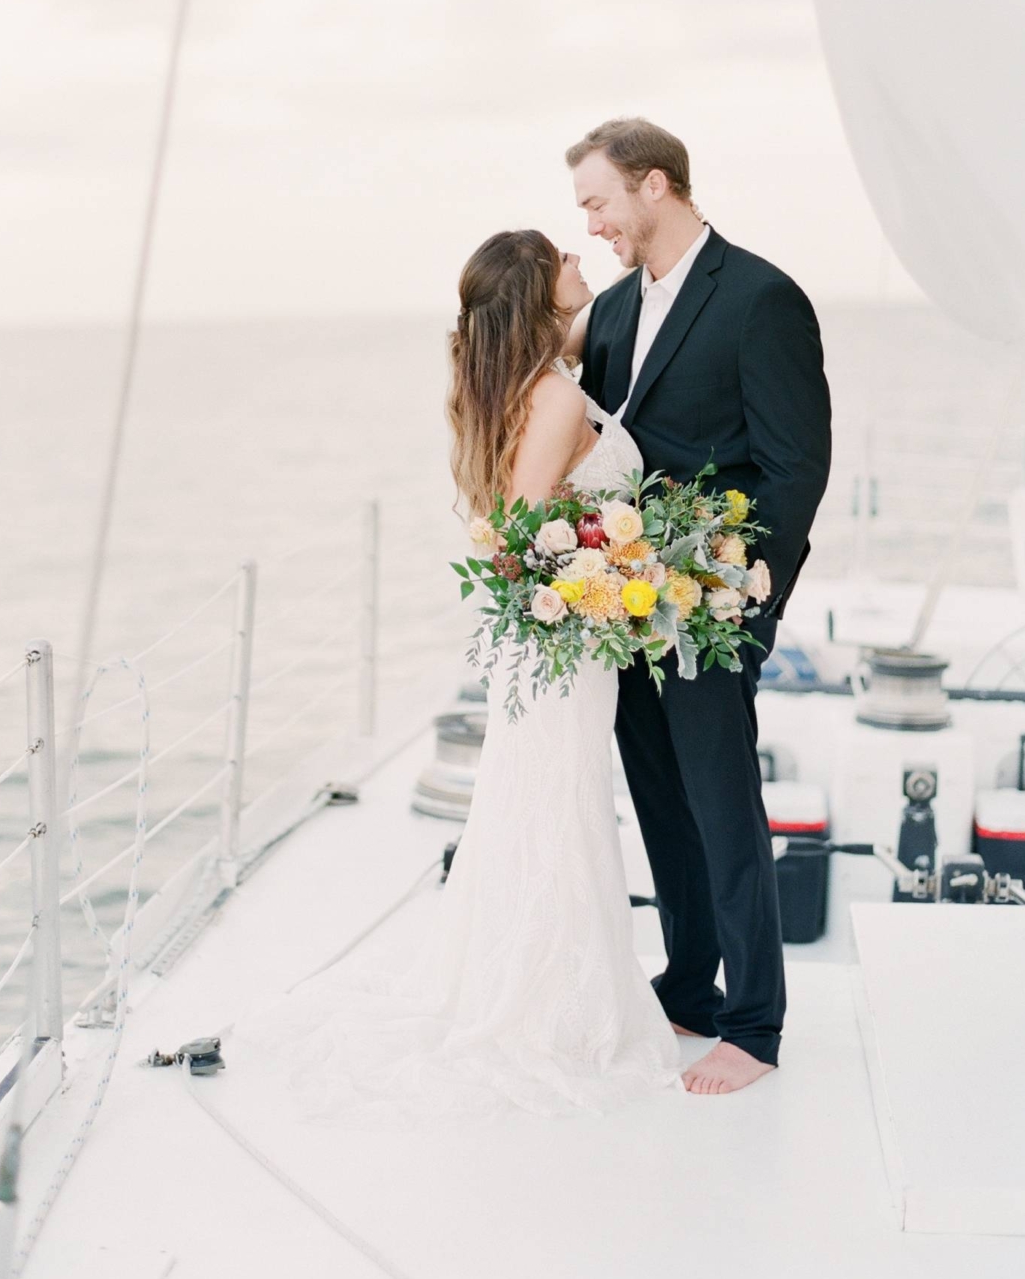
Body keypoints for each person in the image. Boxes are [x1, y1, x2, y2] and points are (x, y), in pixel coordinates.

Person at [231, 227, 686, 1118]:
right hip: (569, 641)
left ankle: (547, 987)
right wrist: (620, 574)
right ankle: (552, 1009)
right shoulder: (553, 398)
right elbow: (524, 537)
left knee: (549, 803)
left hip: (561, 641)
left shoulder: (522, 389)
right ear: (540, 292)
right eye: (566, 261)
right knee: (560, 805)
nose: (581, 268)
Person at [566, 116, 832, 1093]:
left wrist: (741, 601)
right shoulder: (614, 310)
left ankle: (754, 1024)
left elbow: (795, 469)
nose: (592, 224)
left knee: (724, 808)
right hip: (619, 601)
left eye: (598, 201)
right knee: (661, 803)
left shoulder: (761, 298)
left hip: (714, 607)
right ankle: (687, 983)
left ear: (656, 186)